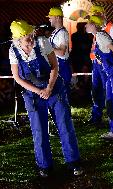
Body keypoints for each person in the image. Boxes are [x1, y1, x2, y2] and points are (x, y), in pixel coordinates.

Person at [8, 19, 83, 177]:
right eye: (26, 36)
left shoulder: (42, 43)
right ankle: (44, 166)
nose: (30, 37)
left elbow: (55, 66)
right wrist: (38, 91)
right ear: (18, 39)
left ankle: (73, 162)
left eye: (30, 33)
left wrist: (48, 88)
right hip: (33, 94)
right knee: (39, 130)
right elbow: (18, 78)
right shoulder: (13, 51)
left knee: (65, 125)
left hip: (54, 88)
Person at [85, 15, 113, 139]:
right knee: (110, 103)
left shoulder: (101, 36)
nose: (86, 25)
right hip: (109, 74)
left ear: (94, 25)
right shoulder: (98, 37)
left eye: (88, 23)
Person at [47, 7, 72, 93]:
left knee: (62, 93)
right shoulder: (55, 32)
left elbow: (62, 52)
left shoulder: (62, 33)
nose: (49, 19)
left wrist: (46, 49)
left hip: (62, 66)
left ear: (57, 17)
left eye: (51, 17)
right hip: (56, 64)